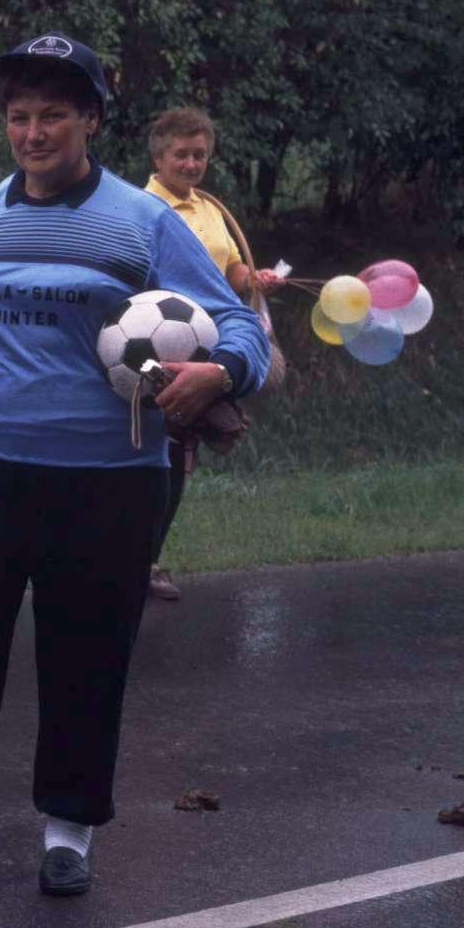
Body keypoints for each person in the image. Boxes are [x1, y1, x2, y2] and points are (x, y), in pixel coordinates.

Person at [0, 34, 268, 895]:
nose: (33, 133)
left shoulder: (143, 221)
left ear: (91, 120)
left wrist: (223, 371)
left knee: (87, 659)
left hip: (107, 481)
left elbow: (236, 323)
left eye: (53, 115)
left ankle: (69, 833)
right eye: (19, 117)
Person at [142, 106, 283, 602]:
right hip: (159, 347)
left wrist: (255, 279)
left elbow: (232, 274)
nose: (191, 164)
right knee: (155, 454)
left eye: (199, 155)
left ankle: (148, 560)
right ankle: (130, 560)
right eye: (181, 155)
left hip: (209, 348)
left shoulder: (210, 209)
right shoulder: (142, 209)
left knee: (180, 457)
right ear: (158, 158)